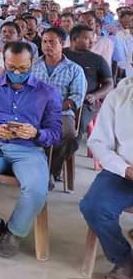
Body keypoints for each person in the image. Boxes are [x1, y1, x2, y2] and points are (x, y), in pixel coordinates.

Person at [0, 42, 62, 258]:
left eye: (23, 68)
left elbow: (55, 133)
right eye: (11, 67)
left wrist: (35, 133)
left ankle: (14, 231)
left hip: (29, 150)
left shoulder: (48, 92)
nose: (16, 73)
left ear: (32, 64)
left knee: (36, 188)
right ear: (4, 62)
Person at [80, 77, 133, 279]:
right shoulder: (119, 96)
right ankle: (123, 259)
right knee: (94, 207)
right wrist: (125, 168)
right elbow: (99, 142)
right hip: (123, 172)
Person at [30, 27, 86, 188]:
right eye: (45, 42)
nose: (48, 45)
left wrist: (53, 107)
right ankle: (31, 169)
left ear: (62, 43)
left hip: (61, 112)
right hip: (34, 111)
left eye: (52, 42)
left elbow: (77, 97)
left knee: (67, 135)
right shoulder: (33, 65)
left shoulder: (74, 69)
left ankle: (51, 171)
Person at [64, 24, 114, 143]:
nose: (92, 42)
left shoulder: (97, 59)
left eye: (92, 39)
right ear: (74, 39)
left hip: (85, 102)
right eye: (87, 39)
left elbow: (109, 83)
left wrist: (95, 95)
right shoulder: (61, 55)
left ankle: (61, 157)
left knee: (74, 129)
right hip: (60, 99)